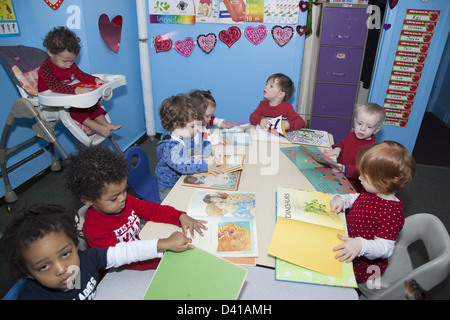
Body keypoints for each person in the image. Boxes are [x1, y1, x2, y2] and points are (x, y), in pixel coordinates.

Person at [0, 204, 193, 300]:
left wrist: (162, 243)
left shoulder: (87, 259)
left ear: (75, 245)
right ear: (28, 273)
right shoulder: (33, 296)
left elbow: (124, 252)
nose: (61, 269)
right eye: (43, 266)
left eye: (65, 254)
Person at [64, 144, 207, 270]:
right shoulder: (94, 229)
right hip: (119, 270)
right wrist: (163, 252)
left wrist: (180, 216)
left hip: (143, 251)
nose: (122, 199)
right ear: (88, 200)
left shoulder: (125, 201)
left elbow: (153, 210)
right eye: (113, 198)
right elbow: (123, 258)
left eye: (124, 191)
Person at [330, 141, 416, 283]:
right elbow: (357, 198)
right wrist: (342, 199)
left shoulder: (392, 214)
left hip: (362, 265)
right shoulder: (372, 191)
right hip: (349, 239)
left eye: (364, 176)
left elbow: (385, 248)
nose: (359, 178)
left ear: (383, 182)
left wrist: (360, 245)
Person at [38, 26, 121, 137]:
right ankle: (95, 126)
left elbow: (80, 75)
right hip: (51, 101)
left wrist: (95, 80)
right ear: (51, 53)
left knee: (92, 104)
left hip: (67, 95)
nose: (69, 65)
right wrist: (76, 89)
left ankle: (106, 124)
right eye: (65, 61)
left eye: (72, 61)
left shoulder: (70, 65)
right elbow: (54, 86)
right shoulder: (46, 67)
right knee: (75, 110)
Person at [156, 94, 223, 201]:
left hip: (186, 179)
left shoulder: (187, 135)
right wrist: (206, 165)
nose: (197, 129)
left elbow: (205, 144)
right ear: (176, 126)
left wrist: (205, 155)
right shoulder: (169, 146)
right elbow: (182, 166)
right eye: (193, 126)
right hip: (170, 188)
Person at [324, 103, 386, 192]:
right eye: (360, 123)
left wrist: (345, 169)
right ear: (355, 121)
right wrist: (338, 148)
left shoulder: (371, 149)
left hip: (352, 186)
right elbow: (343, 144)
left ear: (376, 129)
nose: (362, 129)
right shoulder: (351, 135)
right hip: (339, 175)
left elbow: (361, 171)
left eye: (369, 126)